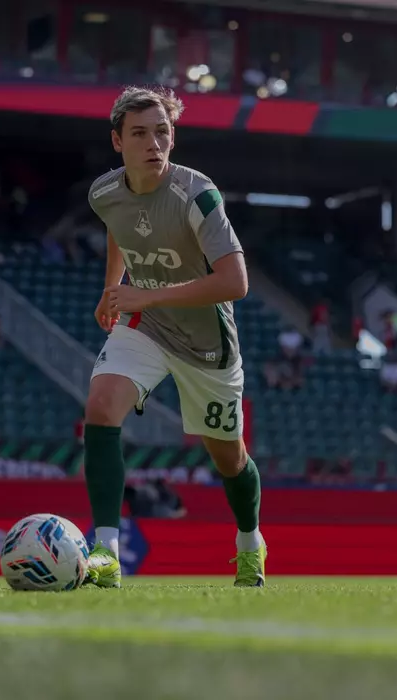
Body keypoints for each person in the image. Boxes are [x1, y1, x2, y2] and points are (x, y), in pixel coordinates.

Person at [82, 86, 263, 589]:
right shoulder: (103, 192)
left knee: (229, 458)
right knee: (101, 407)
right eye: (140, 134)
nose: (153, 143)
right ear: (117, 142)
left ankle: (250, 543)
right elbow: (119, 227)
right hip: (145, 325)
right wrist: (113, 288)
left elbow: (236, 283)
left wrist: (144, 295)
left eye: (162, 132)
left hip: (207, 343)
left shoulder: (197, 194)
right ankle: (105, 552)